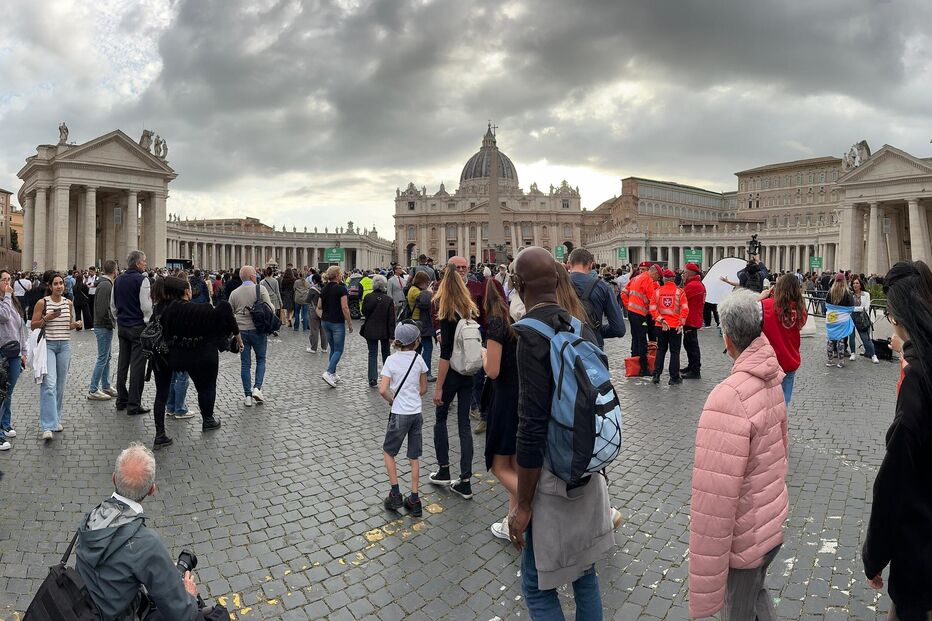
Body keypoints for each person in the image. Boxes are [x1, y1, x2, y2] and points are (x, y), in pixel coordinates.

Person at [507, 247, 613, 618]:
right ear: (557, 278)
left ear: (519, 286)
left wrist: (522, 503)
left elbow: (531, 426)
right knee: (585, 574)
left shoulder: (527, 336)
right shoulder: (580, 326)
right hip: (586, 466)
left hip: (552, 478)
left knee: (536, 588)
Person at [688, 288, 789, 620]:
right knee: (756, 594)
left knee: (738, 610)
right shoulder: (772, 377)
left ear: (727, 337)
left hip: (745, 538)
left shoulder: (728, 398)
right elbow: (781, 452)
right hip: (769, 522)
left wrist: (704, 583)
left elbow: (714, 500)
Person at [863, 261, 932, 621]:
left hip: (921, 556)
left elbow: (893, 483)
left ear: (896, 315)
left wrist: (874, 555)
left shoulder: (917, 383)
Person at [75, 443, 205, 620]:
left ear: (114, 478)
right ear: (152, 489)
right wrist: (190, 595)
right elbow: (182, 614)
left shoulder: (91, 518)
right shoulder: (145, 543)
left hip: (85, 610)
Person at [150, 277, 234, 448]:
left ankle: (160, 434)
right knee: (205, 387)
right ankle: (208, 419)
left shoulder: (159, 308)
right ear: (185, 292)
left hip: (164, 356)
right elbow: (216, 323)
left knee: (161, 394)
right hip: (195, 355)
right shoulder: (193, 308)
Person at [428, 260, 478, 499]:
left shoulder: (443, 308)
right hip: (468, 372)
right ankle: (466, 480)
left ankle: (444, 470)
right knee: (464, 425)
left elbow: (445, 353)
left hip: (452, 373)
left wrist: (438, 386)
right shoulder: (468, 306)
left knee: (440, 419)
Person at [482, 278, 520, 540]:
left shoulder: (495, 324)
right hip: (520, 397)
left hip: (504, 398)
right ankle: (513, 523)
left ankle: (536, 503)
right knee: (516, 466)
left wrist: (483, 355)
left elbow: (492, 370)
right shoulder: (515, 321)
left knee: (498, 465)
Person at [378, 322, 429, 517]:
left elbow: (383, 389)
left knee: (389, 452)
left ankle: (396, 493)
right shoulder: (419, 359)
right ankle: (414, 498)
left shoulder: (391, 360)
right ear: (415, 342)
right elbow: (423, 389)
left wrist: (392, 399)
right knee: (413, 455)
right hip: (416, 413)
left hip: (399, 413)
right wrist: (413, 395)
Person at [33, 272, 82, 440]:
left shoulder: (69, 303)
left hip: (65, 346)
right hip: (49, 345)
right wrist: (46, 319)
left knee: (60, 386)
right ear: (50, 286)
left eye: (61, 283)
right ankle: (47, 425)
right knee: (49, 384)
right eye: (56, 283)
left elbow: (67, 325)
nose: (59, 286)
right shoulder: (42, 303)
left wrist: (75, 325)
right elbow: (33, 325)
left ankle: (56, 419)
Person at [112, 250, 153, 417]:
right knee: (137, 367)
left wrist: (120, 319)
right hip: (138, 326)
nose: (145, 264)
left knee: (122, 363)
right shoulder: (142, 280)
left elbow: (113, 305)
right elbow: (146, 306)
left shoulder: (118, 279)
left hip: (122, 326)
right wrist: (147, 322)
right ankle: (133, 404)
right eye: (144, 261)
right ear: (137, 264)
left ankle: (121, 399)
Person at [760, 274, 807, 406]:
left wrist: (760, 298)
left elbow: (745, 315)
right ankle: (780, 423)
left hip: (769, 360)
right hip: (790, 358)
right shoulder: (801, 310)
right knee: (784, 400)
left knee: (766, 399)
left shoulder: (765, 305)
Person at [230, 265, 273, 407]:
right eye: (255, 274)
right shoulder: (260, 289)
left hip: (241, 332)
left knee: (245, 364)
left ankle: (247, 396)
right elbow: (270, 308)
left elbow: (230, 314)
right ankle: (257, 388)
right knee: (261, 359)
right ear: (252, 276)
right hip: (258, 330)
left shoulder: (234, 293)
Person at [566, 248, 626, 347]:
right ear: (591, 265)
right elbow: (619, 329)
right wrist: (596, 331)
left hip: (564, 346)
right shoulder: (603, 287)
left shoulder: (556, 284)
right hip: (593, 345)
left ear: (569, 263)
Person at [0, 270, 27, 449]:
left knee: (8, 392)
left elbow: (21, 327)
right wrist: (8, 297)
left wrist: (24, 350)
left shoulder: (13, 301)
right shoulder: (6, 301)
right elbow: (4, 316)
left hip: (15, 352)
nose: (8, 283)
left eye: (9, 279)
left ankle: (5, 423)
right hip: (1, 352)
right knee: (0, 394)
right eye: (3, 280)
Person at [649, 269, 689, 385]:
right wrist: (681, 323)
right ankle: (674, 377)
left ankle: (656, 375)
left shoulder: (657, 291)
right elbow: (685, 309)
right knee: (674, 352)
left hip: (661, 325)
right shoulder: (680, 292)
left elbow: (652, 309)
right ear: (673, 279)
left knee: (661, 350)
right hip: (675, 326)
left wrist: (660, 319)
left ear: (664, 280)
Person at [88, 260, 119, 401]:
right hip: (103, 325)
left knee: (107, 357)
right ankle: (93, 389)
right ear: (114, 271)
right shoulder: (106, 285)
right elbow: (102, 309)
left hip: (103, 325)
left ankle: (106, 385)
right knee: (102, 358)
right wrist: (111, 320)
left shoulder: (105, 283)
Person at [622, 262, 660, 377]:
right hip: (640, 314)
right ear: (654, 272)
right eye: (658, 276)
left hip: (632, 312)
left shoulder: (637, 277)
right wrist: (657, 316)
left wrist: (628, 305)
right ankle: (643, 368)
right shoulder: (648, 280)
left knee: (635, 339)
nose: (657, 279)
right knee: (642, 340)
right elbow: (652, 300)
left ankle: (634, 363)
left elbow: (624, 292)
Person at [318, 265, 352, 387]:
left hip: (325, 321)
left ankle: (333, 373)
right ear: (338, 276)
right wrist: (349, 323)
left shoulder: (324, 288)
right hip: (337, 322)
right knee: (338, 350)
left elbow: (319, 305)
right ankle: (328, 372)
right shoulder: (341, 289)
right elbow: (345, 307)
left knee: (333, 348)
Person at [361, 275, 396, 388]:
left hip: (370, 329)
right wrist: (392, 335)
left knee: (372, 353)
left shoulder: (368, 297)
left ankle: (372, 378)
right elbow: (391, 319)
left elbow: (364, 312)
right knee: (386, 353)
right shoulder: (388, 300)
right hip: (384, 330)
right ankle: (387, 377)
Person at [406, 270, 435, 380]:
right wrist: (428, 292)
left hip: (418, 322)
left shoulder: (414, 289)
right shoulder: (415, 291)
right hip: (420, 323)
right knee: (427, 348)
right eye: (426, 282)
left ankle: (417, 371)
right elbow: (425, 302)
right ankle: (426, 372)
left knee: (418, 349)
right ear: (422, 281)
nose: (427, 284)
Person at [680, 263, 706, 379]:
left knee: (692, 345)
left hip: (691, 318)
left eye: (685, 272)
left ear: (690, 274)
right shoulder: (696, 284)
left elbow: (680, 297)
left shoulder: (693, 286)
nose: (683, 274)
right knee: (688, 344)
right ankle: (691, 366)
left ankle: (695, 370)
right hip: (692, 318)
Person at [825, 272, 856, 368]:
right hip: (842, 318)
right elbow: (851, 307)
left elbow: (826, 305)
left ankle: (830, 360)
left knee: (831, 339)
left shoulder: (830, 291)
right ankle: (841, 361)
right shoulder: (848, 292)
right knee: (841, 339)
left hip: (831, 317)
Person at [849, 276, 880, 364]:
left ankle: (873, 355)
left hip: (862, 317)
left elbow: (866, 307)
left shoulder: (866, 294)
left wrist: (854, 308)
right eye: (854, 283)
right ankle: (853, 353)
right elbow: (848, 307)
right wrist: (856, 308)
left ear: (860, 285)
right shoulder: (850, 294)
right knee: (851, 336)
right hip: (851, 317)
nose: (855, 285)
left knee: (865, 337)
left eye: (857, 283)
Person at [306, 272, 326, 354]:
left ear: (314, 280)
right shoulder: (324, 288)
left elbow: (307, 300)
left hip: (314, 310)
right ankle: (324, 347)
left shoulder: (312, 289)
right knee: (323, 330)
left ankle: (313, 348)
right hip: (324, 311)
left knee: (314, 330)